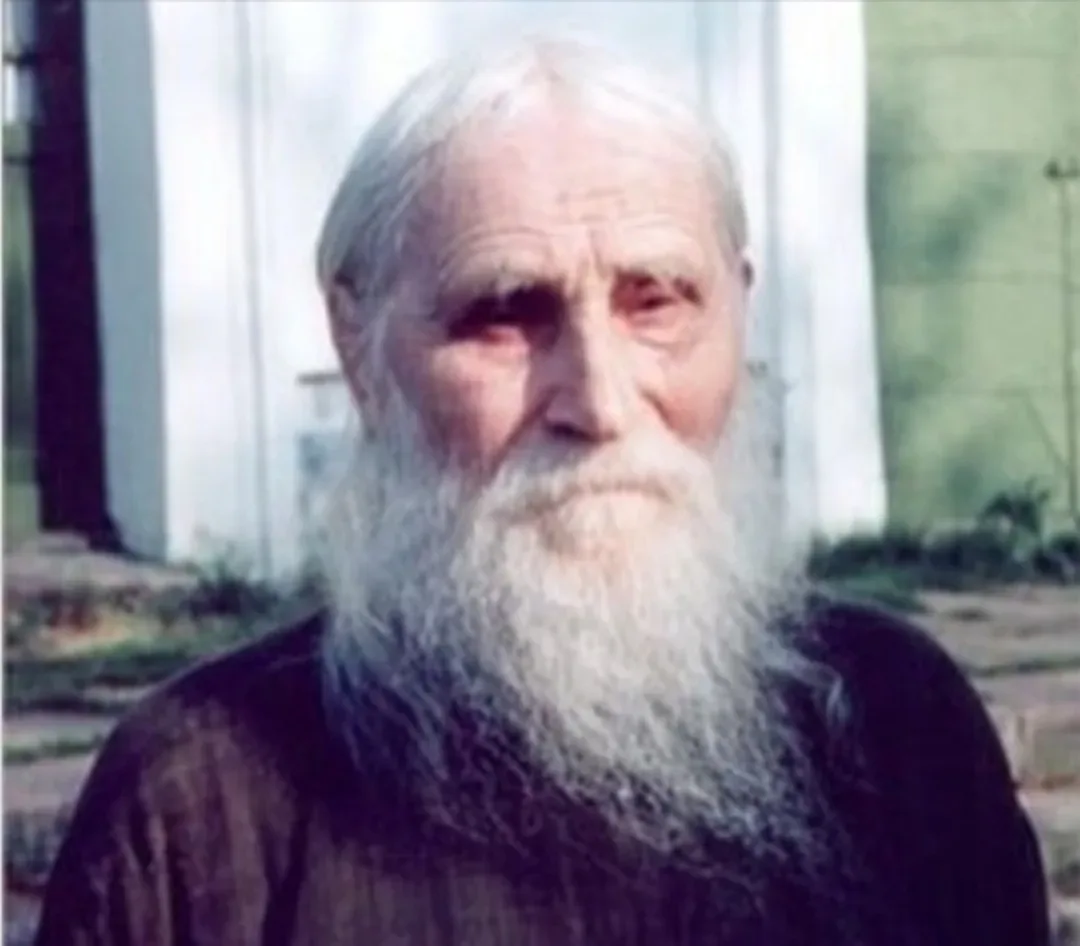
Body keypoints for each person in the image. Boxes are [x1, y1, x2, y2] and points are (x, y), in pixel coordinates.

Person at [35, 36, 1048, 946]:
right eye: (506, 315)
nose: (600, 402)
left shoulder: (901, 732)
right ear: (359, 345)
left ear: (739, 309)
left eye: (656, 301)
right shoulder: (200, 810)